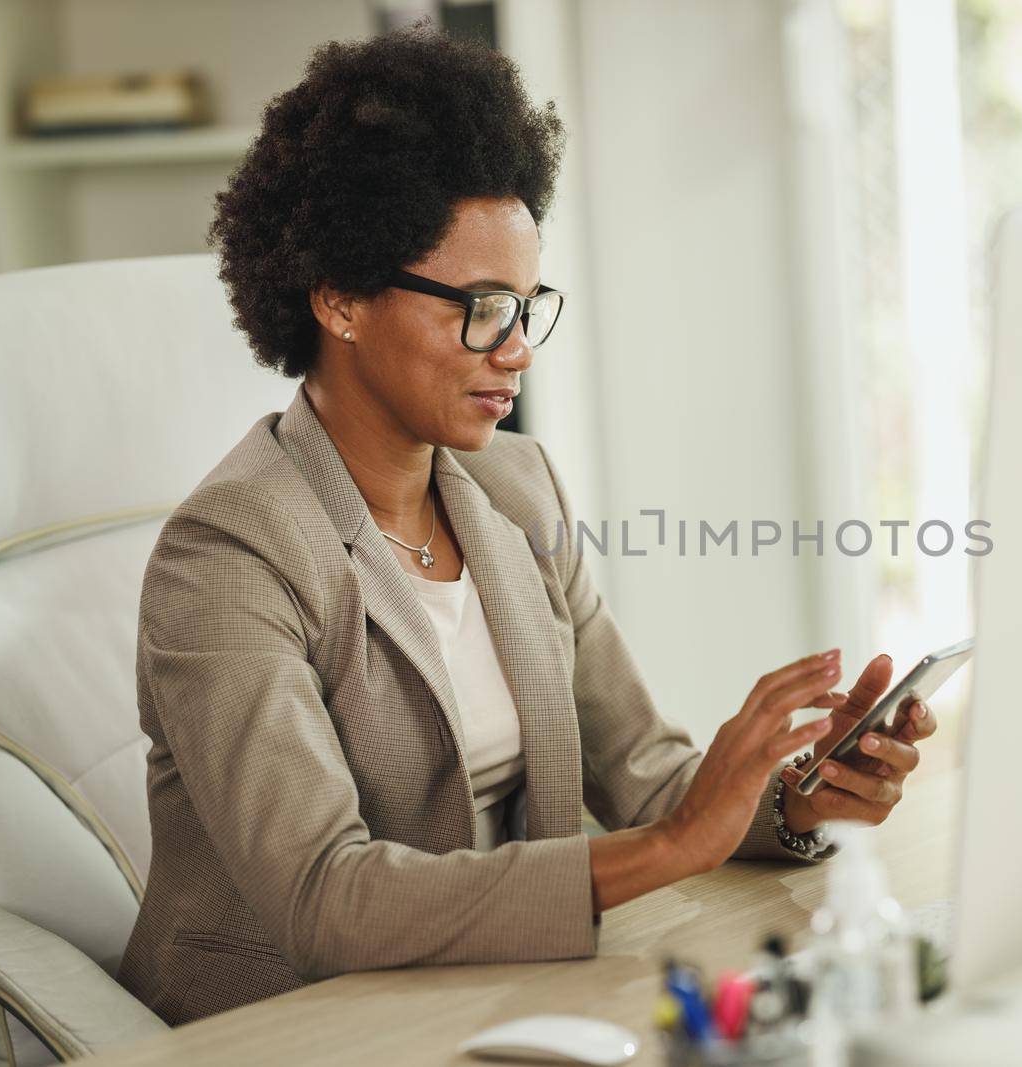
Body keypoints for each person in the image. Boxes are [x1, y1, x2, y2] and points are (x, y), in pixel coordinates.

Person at [116, 27, 938, 1026]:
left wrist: (797, 794)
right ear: (337, 298)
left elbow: (646, 777)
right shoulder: (230, 554)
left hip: (505, 994)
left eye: (526, 307)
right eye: (479, 308)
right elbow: (323, 897)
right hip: (291, 1025)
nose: (517, 351)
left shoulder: (517, 488)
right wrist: (672, 846)